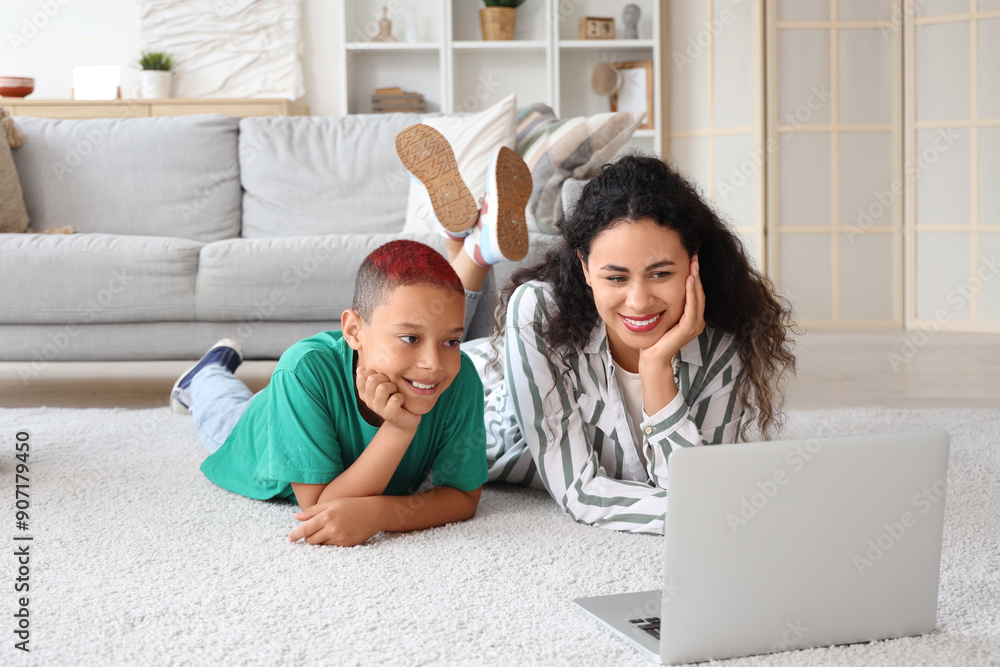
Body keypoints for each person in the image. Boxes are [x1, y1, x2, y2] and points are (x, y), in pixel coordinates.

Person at [397, 126, 797, 535]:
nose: (639, 301)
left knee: (448, 331)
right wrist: (706, 510)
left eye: (660, 273)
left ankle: (472, 243)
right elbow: (584, 492)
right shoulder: (539, 312)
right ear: (585, 269)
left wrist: (657, 367)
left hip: (507, 350)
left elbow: (696, 488)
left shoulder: (721, 344)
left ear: (693, 264)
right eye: (616, 278)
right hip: (483, 393)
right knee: (436, 344)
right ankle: (473, 245)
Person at [169, 240, 488, 546]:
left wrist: (379, 514)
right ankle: (206, 372)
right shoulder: (303, 369)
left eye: (451, 341)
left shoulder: (460, 378)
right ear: (354, 332)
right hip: (256, 432)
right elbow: (320, 508)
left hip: (303, 405)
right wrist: (399, 428)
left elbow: (464, 496)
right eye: (410, 338)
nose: (433, 365)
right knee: (221, 408)